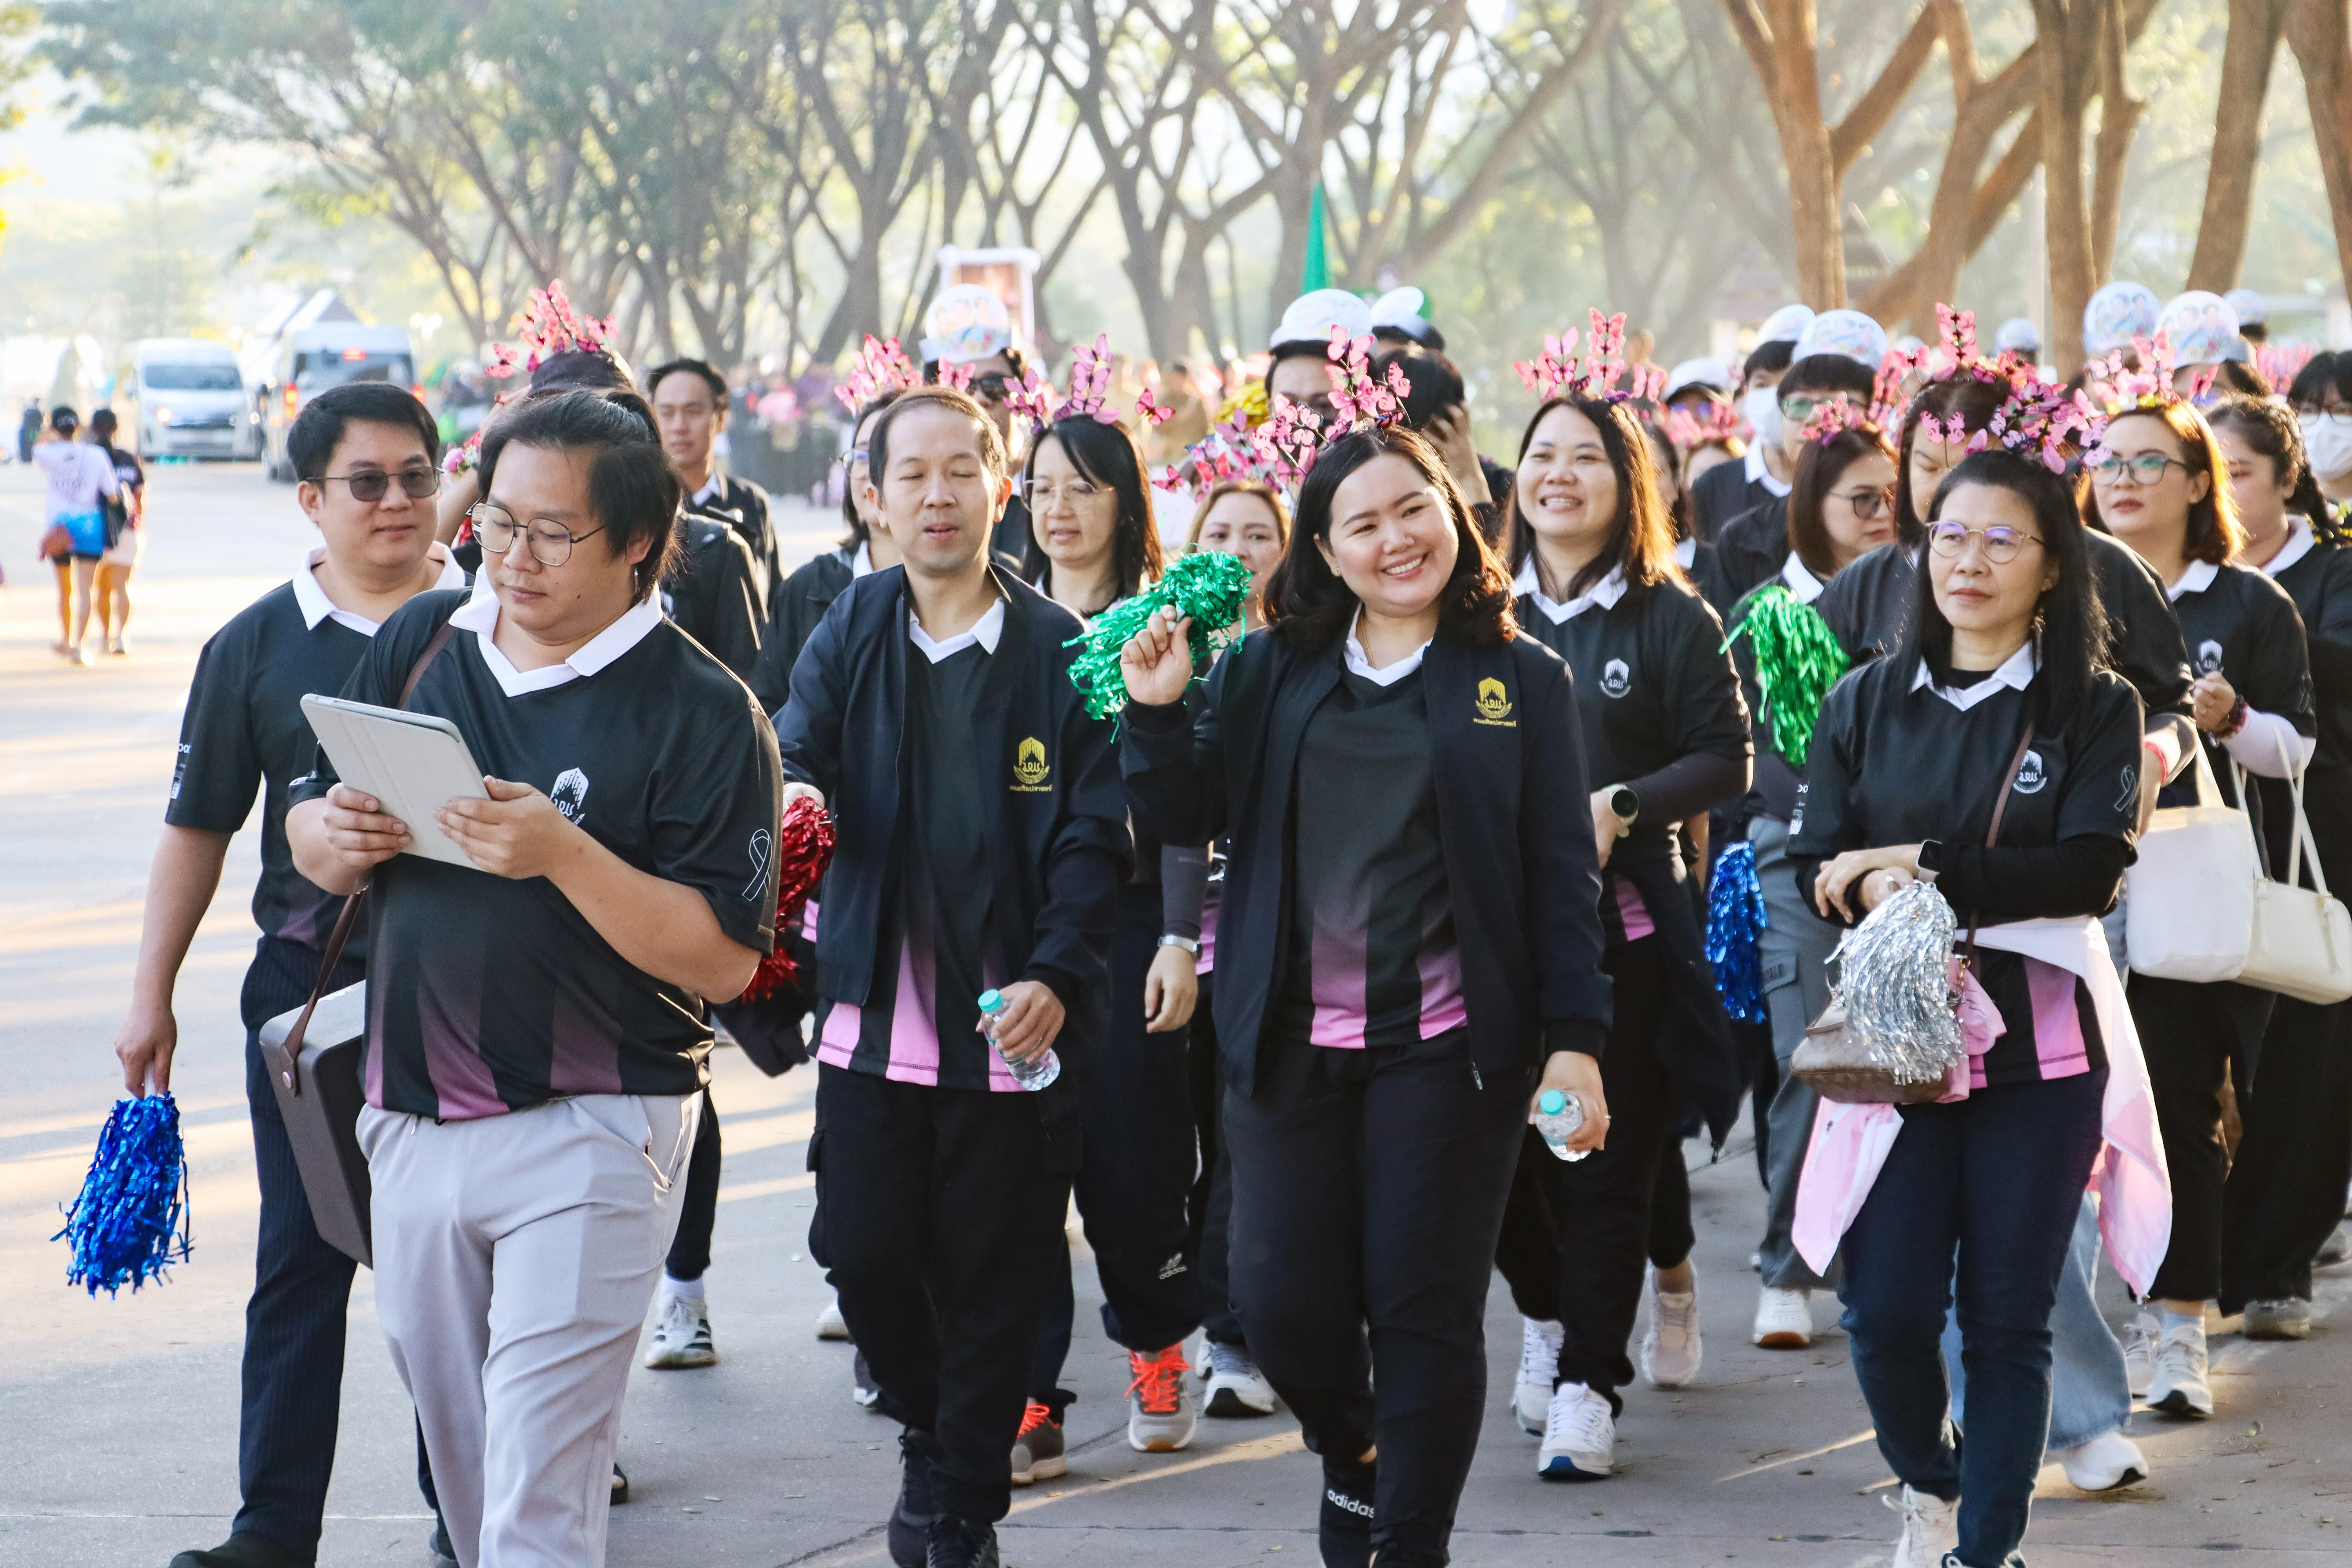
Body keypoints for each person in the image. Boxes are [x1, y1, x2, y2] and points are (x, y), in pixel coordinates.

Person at [286, 390, 782, 1568]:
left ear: (638, 545)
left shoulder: (705, 710)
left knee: (540, 1488)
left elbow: (725, 955)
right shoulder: (418, 643)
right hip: (410, 1112)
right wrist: (329, 834)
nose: (513, 556)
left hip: (595, 1121)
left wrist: (563, 855)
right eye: (499, 521)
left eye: (552, 533)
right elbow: (310, 824)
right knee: (467, 1472)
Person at [1118, 423, 1613, 1568]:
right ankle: (1354, 1451)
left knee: (1423, 1306)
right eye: (1363, 524)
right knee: (1277, 1303)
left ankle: (1406, 1546)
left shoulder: (1517, 679)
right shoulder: (1265, 670)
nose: (1395, 539)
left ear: (1452, 514)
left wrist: (1575, 1043)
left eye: (1413, 510)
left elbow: (1558, 876)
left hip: (1447, 1056)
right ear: (1325, 552)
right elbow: (1185, 812)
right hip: (1287, 1046)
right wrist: (1154, 711)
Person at [775, 385, 1128, 1568]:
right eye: (909, 474)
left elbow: (1093, 834)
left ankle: (958, 1500)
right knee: (862, 1250)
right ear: (871, 496)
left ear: (999, 485)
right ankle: (943, 1443)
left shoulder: (1057, 651)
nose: (936, 494)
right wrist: (797, 801)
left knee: (999, 1275)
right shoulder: (851, 626)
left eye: (959, 470)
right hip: (871, 1023)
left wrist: (1057, 976)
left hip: (1011, 1033)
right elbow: (796, 747)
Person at [114, 382, 463, 1568]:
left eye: (417, 475)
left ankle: (474, 1513)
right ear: (311, 499)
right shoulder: (255, 645)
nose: (399, 502)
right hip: (309, 1005)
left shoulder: (493, 626)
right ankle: (272, 1531)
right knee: (302, 1261)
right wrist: (147, 994)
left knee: (457, 1270)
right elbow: (198, 828)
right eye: (367, 482)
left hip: (477, 995)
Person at [1791, 446, 2156, 1568]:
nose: (1972, 560)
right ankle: (1932, 1480)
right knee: (1885, 1312)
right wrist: (1864, 876)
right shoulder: (1863, 698)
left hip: (2040, 1062)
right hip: (1894, 1056)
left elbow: (2090, 871)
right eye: (1953, 535)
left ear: (2053, 567)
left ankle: (1985, 1550)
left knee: (2007, 1318)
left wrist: (1921, 860)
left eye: (2005, 539)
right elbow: (1816, 856)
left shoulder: (2095, 705)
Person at [1486, 385, 1750, 1479]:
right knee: (1500, 1170)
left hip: (1624, 936)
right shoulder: (1481, 611)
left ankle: (1592, 1380)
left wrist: (1620, 805)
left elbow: (1724, 757)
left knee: (1600, 1157)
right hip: (1486, 938)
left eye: (1585, 458)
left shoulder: (1669, 616)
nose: (1559, 475)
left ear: (1625, 480)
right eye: (1541, 455)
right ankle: (1545, 1319)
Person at [2087, 392, 2314, 1418]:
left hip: (2192, 890)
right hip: (2070, 884)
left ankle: (2178, 1325)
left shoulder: (2250, 603)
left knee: (2181, 1102)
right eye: (2107, 458)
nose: (2124, 478)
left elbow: (2295, 753)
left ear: (2195, 482)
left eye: (2147, 461)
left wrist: (2231, 721)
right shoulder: (2063, 583)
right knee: (2069, 1115)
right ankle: (2062, 1335)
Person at [1011, 402, 1210, 1472]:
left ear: (1126, 501)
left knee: (1134, 1160)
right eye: (1042, 487)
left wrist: (1180, 934)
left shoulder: (1163, 624)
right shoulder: (1002, 622)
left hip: (1130, 924)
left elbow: (1182, 805)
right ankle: (1030, 1393)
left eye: (1083, 487)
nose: (1059, 509)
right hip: (1023, 928)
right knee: (1020, 1166)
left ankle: (1156, 1343)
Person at [1721, 410, 1898, 1352]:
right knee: (1811, 1065)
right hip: (1797, 863)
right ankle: (1788, 1265)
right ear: (1810, 507)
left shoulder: (1928, 592)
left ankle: (1886, 1264)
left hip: (1910, 871)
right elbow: (1764, 754)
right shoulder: (1768, 613)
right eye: (1859, 499)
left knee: (1911, 1069)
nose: (1881, 515)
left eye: (1892, 497)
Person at [2209, 395, 2352, 1340]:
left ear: (2285, 479)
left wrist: (2257, 660)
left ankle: (2279, 1261)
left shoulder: (2329, 575)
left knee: (2308, 1052)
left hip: (2318, 835)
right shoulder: (2177, 579)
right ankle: (2195, 1257)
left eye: (2241, 472)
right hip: (2194, 837)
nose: (2223, 490)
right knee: (2204, 1051)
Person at [1178, 477, 1292, 1421]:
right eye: (1220, 531)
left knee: (1242, 1147)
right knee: (1174, 1153)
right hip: (1166, 950)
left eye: (1260, 533)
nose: (1240, 547)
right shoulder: (1157, 653)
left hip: (1263, 950)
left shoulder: (1294, 660)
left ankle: (1233, 1338)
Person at [1700, 347, 1884, 614]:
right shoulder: (1743, 540)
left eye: (1838, 404)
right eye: (1799, 405)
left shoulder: (1897, 528)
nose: (1815, 419)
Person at [650, 357, 783, 616]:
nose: (679, 426)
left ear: (721, 419)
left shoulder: (751, 502)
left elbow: (774, 597)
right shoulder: (644, 507)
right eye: (666, 414)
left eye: (693, 412)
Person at [920, 284, 1034, 562]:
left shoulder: (1045, 484)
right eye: (965, 386)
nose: (981, 398)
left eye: (995, 384)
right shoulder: (921, 493)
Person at [1688, 303, 1812, 542]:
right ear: (1746, 392)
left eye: (1788, 384)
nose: (1775, 396)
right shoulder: (1713, 488)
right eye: (1762, 384)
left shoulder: (1838, 486)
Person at [34, 405, 120, 664]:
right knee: (86, 590)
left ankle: (66, 638)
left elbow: (38, 447)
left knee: (65, 590)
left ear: (54, 427)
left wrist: (49, 432)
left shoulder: (47, 454)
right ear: (78, 427)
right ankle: (80, 647)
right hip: (90, 525)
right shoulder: (96, 455)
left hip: (59, 529)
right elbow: (113, 494)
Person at [90, 407, 146, 655]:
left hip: (99, 530)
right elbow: (140, 497)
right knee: (123, 586)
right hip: (128, 529)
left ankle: (104, 638)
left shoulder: (90, 457)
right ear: (116, 428)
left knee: (101, 588)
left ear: (93, 429)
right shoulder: (130, 458)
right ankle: (122, 637)